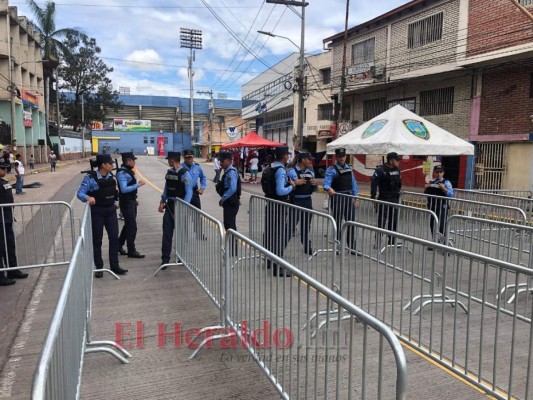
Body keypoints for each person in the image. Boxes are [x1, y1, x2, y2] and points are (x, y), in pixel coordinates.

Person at [77, 154, 128, 278]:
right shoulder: (90, 178)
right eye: (110, 163)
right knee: (97, 240)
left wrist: (116, 203)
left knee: (114, 239)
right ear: (103, 165)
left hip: (110, 211)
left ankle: (115, 265)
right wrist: (88, 198)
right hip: (97, 212)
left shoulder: (112, 177)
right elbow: (80, 193)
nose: (112, 165)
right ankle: (98, 267)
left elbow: (115, 193)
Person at [264, 146, 304, 277]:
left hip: (270, 204)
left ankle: (270, 261)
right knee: (278, 236)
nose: (289, 157)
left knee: (270, 235)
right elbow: (280, 191)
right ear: (285, 156)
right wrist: (292, 186)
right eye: (288, 154)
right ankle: (277, 267)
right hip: (278, 206)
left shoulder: (270, 167)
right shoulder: (280, 170)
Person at [158, 152, 193, 268]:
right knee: (167, 233)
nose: (168, 161)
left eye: (169, 159)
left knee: (181, 233)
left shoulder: (185, 174)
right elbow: (166, 189)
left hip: (180, 205)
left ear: (172, 160)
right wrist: (162, 201)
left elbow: (189, 192)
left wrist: (185, 206)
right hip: (170, 205)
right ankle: (165, 258)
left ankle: (181, 256)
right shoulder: (169, 173)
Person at [323, 148, 359, 253]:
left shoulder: (349, 169)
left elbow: (354, 184)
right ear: (336, 157)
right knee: (337, 223)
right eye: (339, 156)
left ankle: (352, 247)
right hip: (337, 198)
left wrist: (355, 197)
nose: (342, 158)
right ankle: (337, 246)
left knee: (350, 223)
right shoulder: (332, 169)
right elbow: (326, 183)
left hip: (348, 198)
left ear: (346, 156)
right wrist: (329, 188)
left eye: (343, 156)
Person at [0, 161, 28, 286]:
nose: (5, 171)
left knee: (9, 245)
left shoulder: (4, 182)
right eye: (3, 169)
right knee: (1, 248)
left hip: (7, 219)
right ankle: (1, 276)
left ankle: (12, 270)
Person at [287, 152, 318, 255]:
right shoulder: (292, 171)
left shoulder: (311, 172)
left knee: (306, 225)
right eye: (309, 159)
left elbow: (314, 188)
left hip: (307, 201)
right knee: (290, 226)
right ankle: (280, 247)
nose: (311, 161)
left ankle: (306, 246)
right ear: (303, 160)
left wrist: (315, 185)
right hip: (296, 201)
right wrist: (295, 183)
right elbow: (286, 184)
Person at [117, 152, 146, 258]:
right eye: (133, 160)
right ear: (128, 161)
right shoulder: (122, 173)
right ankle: (131, 250)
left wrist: (134, 199)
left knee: (128, 225)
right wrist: (138, 185)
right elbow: (124, 189)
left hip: (131, 201)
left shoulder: (128, 171)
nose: (135, 162)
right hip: (126, 202)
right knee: (132, 227)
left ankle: (118, 246)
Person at [371, 152, 402, 244]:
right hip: (384, 198)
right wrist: (373, 197)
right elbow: (374, 184)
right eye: (397, 160)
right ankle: (378, 240)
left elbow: (399, 183)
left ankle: (392, 240)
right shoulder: (380, 170)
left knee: (393, 220)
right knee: (382, 220)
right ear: (391, 161)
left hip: (394, 198)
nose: (398, 162)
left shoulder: (397, 170)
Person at [424, 165, 454, 248]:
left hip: (442, 207)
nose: (439, 174)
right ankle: (434, 243)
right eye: (437, 172)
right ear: (434, 173)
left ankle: (445, 244)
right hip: (433, 207)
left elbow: (451, 194)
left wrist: (444, 189)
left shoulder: (446, 182)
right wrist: (426, 188)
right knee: (432, 224)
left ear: (443, 173)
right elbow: (426, 194)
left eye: (441, 172)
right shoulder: (431, 182)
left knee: (442, 226)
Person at [183, 149, 207, 240]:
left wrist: (202, 188)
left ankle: (199, 234)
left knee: (197, 214)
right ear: (184, 158)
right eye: (187, 157)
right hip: (184, 194)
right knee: (185, 215)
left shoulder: (197, 167)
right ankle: (184, 235)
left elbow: (203, 178)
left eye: (191, 157)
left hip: (195, 193)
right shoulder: (181, 168)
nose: (189, 159)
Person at [216, 151, 241, 239]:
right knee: (228, 224)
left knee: (230, 226)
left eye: (223, 161)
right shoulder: (227, 171)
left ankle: (234, 248)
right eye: (220, 161)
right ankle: (233, 246)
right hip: (229, 202)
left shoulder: (231, 172)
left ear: (229, 161)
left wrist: (223, 199)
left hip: (231, 202)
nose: (221, 163)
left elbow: (232, 188)